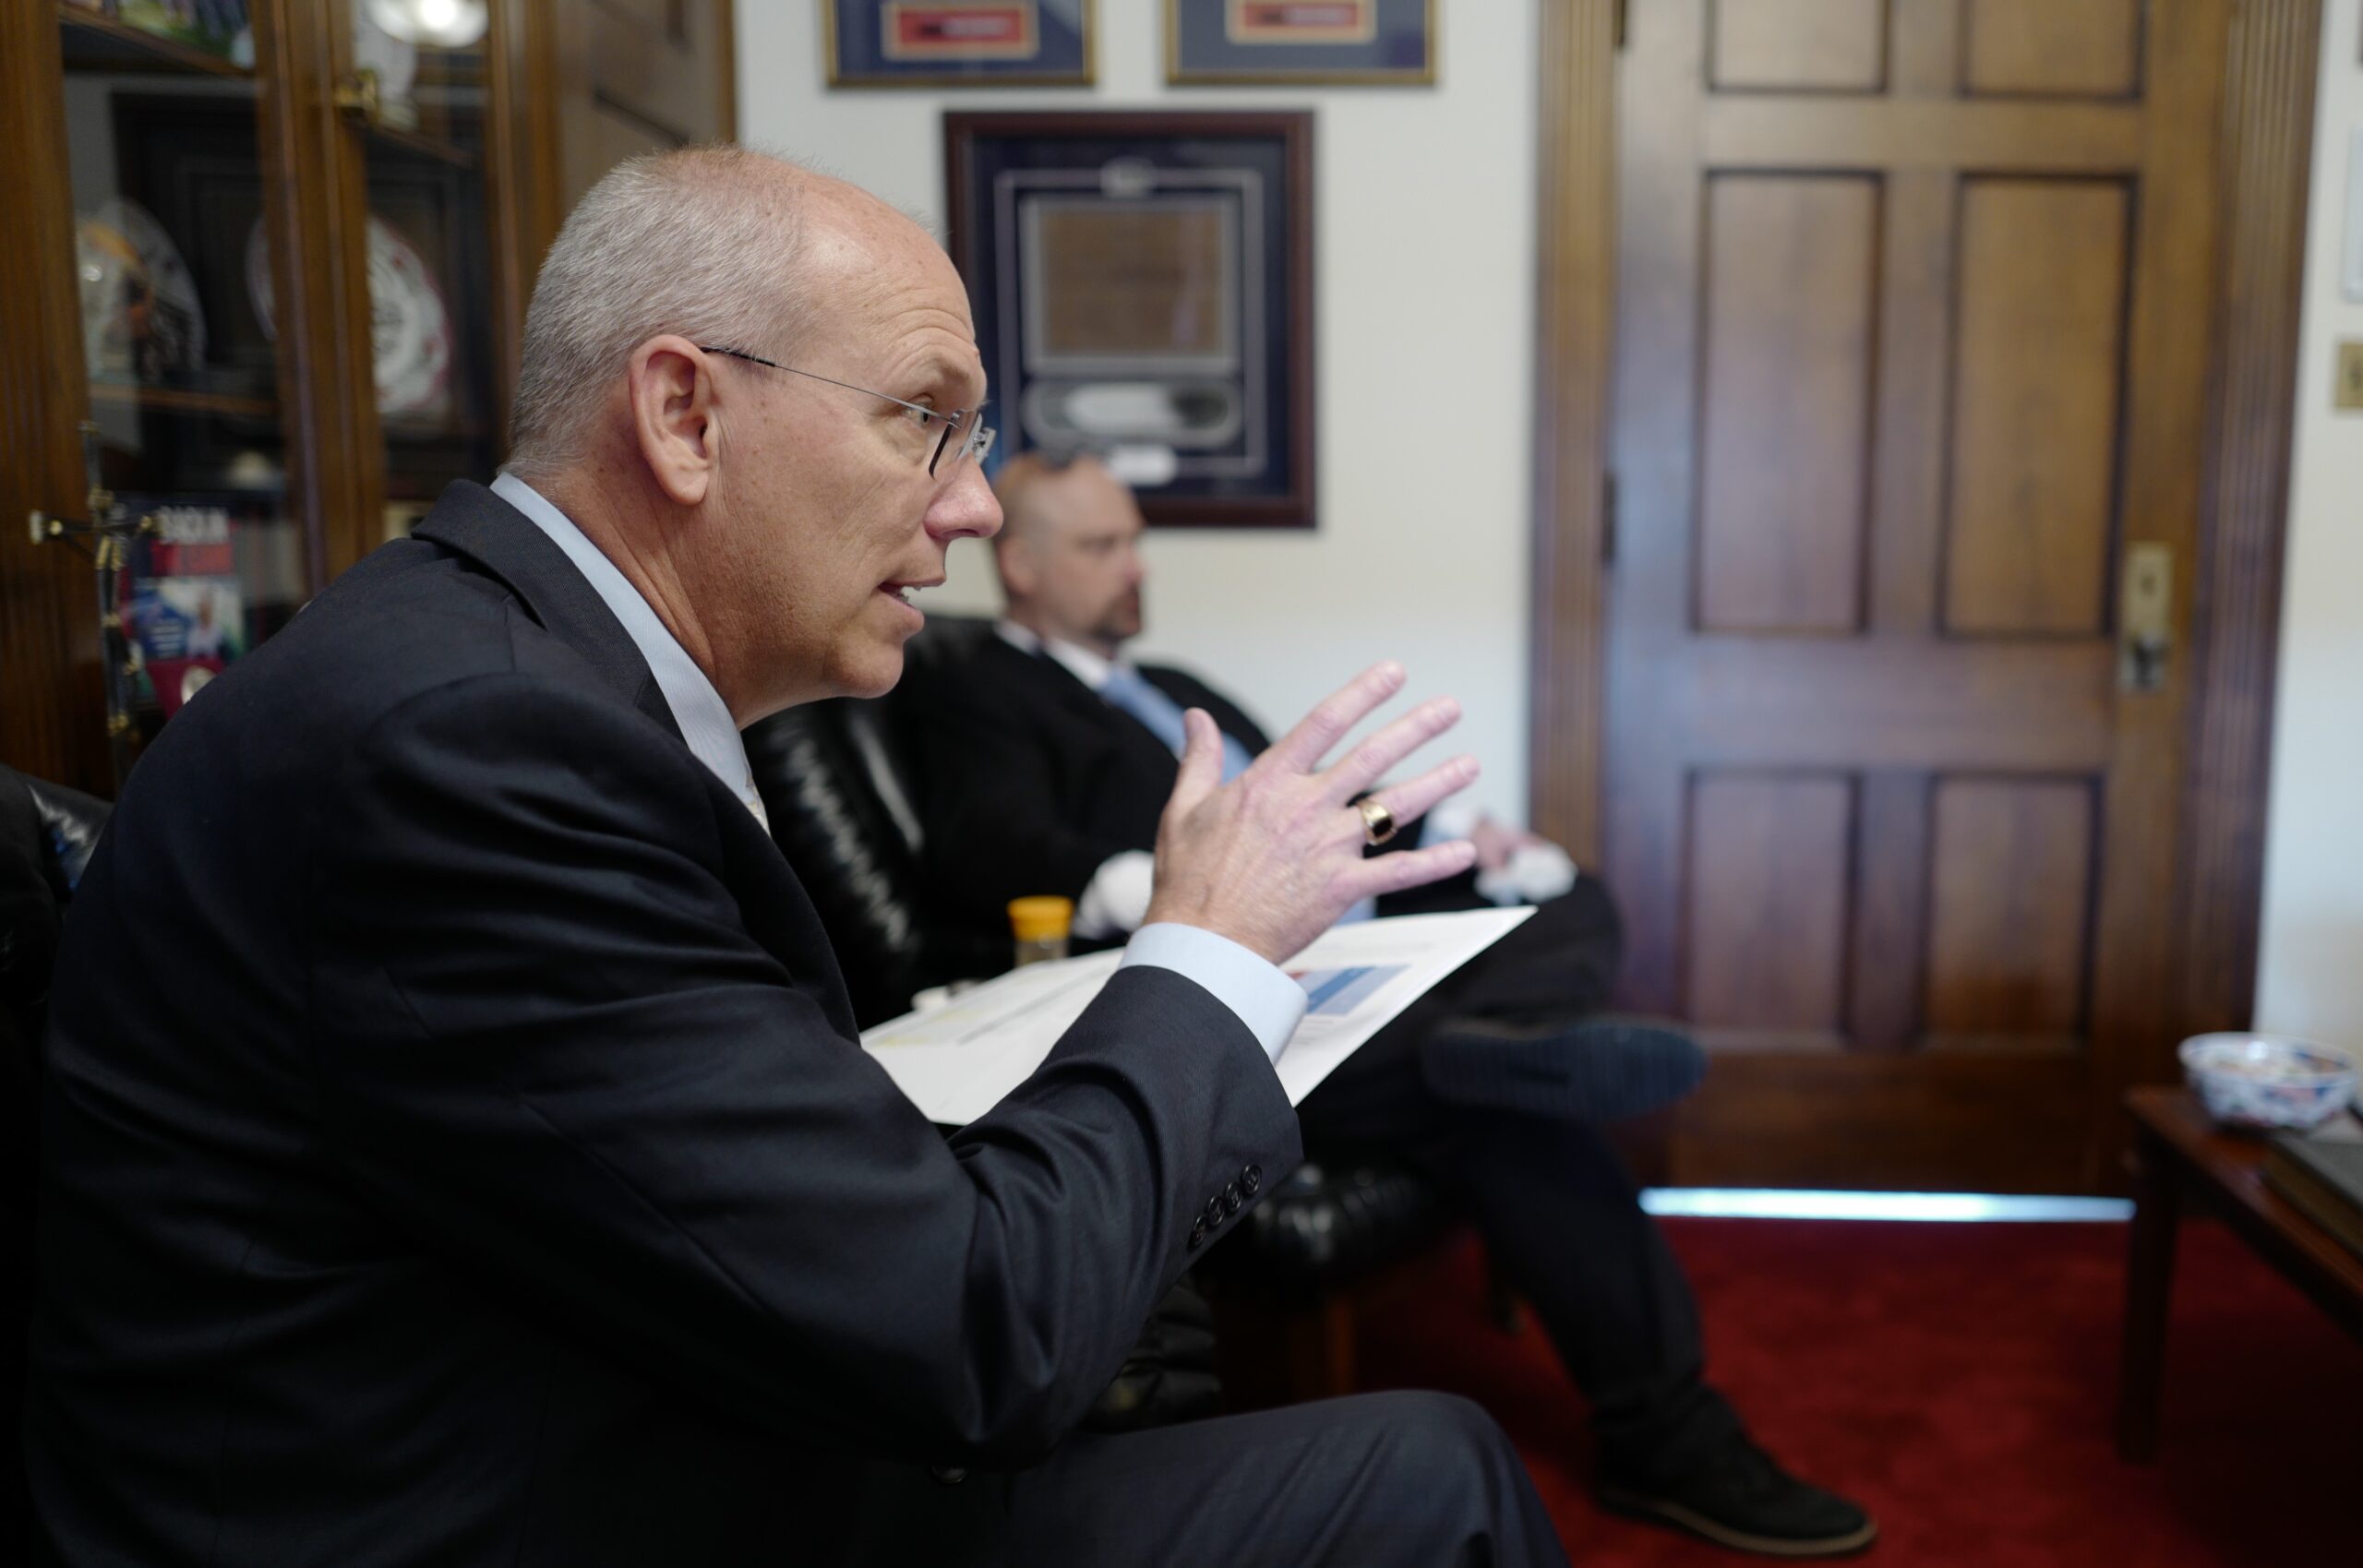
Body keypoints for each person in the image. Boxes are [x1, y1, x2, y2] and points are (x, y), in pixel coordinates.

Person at [23, 149, 1570, 1568]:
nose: (968, 504)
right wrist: (1213, 935)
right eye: (925, 419)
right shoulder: (473, 747)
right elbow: (980, 1329)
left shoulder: (513, 672)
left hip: (618, 1407)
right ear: (687, 414)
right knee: (1432, 1470)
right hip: (499, 1506)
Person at [900, 451, 1879, 1560]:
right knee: (1499, 1105)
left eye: (1136, 537)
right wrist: (1186, 893)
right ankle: (1663, 1425)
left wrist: (1456, 844)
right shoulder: (976, 685)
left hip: (1351, 949)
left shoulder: (1175, 685)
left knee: (1562, 892)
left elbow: (1314, 815)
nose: (1136, 563)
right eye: (1100, 544)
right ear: (1018, 565)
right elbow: (992, 850)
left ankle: (1504, 1035)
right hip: (1235, 993)